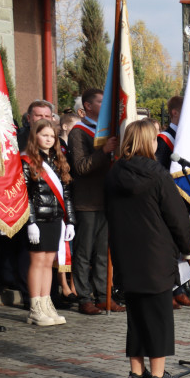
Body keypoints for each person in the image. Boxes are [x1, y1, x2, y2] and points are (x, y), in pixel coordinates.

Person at [105, 118, 190, 378]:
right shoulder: (157, 174)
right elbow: (176, 217)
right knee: (158, 315)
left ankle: (136, 372)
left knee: (136, 316)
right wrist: (188, 248)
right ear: (149, 141)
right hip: (155, 255)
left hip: (124, 253)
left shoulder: (114, 173)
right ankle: (158, 375)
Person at [67, 87, 121, 315]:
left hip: (107, 200)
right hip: (87, 202)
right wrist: (104, 151)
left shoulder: (106, 130)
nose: (105, 106)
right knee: (84, 252)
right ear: (87, 106)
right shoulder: (78, 132)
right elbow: (80, 166)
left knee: (102, 252)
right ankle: (84, 298)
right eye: (100, 102)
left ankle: (103, 295)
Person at [22, 119, 74, 326]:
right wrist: (30, 222)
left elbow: (67, 193)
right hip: (38, 220)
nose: (49, 139)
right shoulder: (26, 160)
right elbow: (24, 195)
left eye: (52, 136)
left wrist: (70, 221)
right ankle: (35, 308)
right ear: (35, 136)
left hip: (55, 219)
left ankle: (46, 303)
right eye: (44, 135)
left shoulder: (57, 160)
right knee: (37, 262)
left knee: (49, 263)